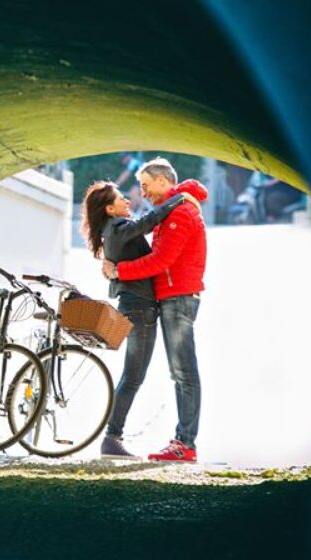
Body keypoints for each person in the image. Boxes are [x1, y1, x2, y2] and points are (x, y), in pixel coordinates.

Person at [103, 157, 208, 463]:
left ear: (163, 181)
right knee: (180, 373)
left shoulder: (180, 214)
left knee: (184, 372)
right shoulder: (172, 211)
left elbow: (160, 261)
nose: (143, 193)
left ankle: (185, 443)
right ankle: (183, 441)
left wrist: (118, 272)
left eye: (146, 186)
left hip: (178, 298)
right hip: (171, 297)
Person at [81, 181, 190, 458]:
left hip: (136, 306)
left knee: (132, 376)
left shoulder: (112, 230)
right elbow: (149, 221)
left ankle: (112, 437)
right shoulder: (117, 227)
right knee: (133, 377)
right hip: (140, 309)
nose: (128, 201)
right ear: (109, 208)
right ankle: (112, 438)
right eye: (121, 199)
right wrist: (179, 200)